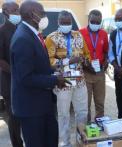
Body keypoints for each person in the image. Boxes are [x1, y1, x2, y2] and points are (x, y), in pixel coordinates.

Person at [10, 1, 69, 147]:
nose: (45, 17)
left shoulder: (32, 33)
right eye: (42, 13)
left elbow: (38, 65)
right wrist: (54, 80)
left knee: (50, 139)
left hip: (41, 104)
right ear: (32, 15)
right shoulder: (23, 38)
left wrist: (55, 71)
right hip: (32, 108)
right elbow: (26, 77)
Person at [45, 10, 90, 147]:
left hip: (79, 80)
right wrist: (67, 61)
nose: (66, 25)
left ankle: (80, 139)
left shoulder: (78, 35)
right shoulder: (51, 38)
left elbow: (86, 53)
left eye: (68, 22)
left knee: (82, 111)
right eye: (63, 23)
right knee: (63, 114)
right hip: (62, 81)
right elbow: (48, 61)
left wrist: (86, 60)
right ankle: (65, 143)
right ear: (58, 23)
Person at [0, 1, 23, 147]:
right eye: (14, 10)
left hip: (24, 82)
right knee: (14, 118)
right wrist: (16, 73)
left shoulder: (20, 29)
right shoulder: (2, 31)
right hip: (10, 82)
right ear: (5, 12)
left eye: (18, 10)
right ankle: (17, 144)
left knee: (23, 115)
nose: (17, 13)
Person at [80, 10, 108, 121]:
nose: (95, 24)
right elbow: (78, 52)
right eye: (93, 21)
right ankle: (87, 128)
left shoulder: (104, 34)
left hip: (99, 72)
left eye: (98, 22)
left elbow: (106, 51)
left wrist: (106, 61)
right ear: (88, 20)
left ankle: (99, 126)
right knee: (85, 104)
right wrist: (86, 65)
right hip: (86, 72)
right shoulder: (80, 33)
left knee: (100, 103)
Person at [108, 8, 122, 121]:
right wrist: (116, 67)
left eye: (120, 19)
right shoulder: (113, 33)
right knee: (121, 101)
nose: (118, 21)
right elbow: (110, 53)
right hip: (118, 73)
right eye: (116, 19)